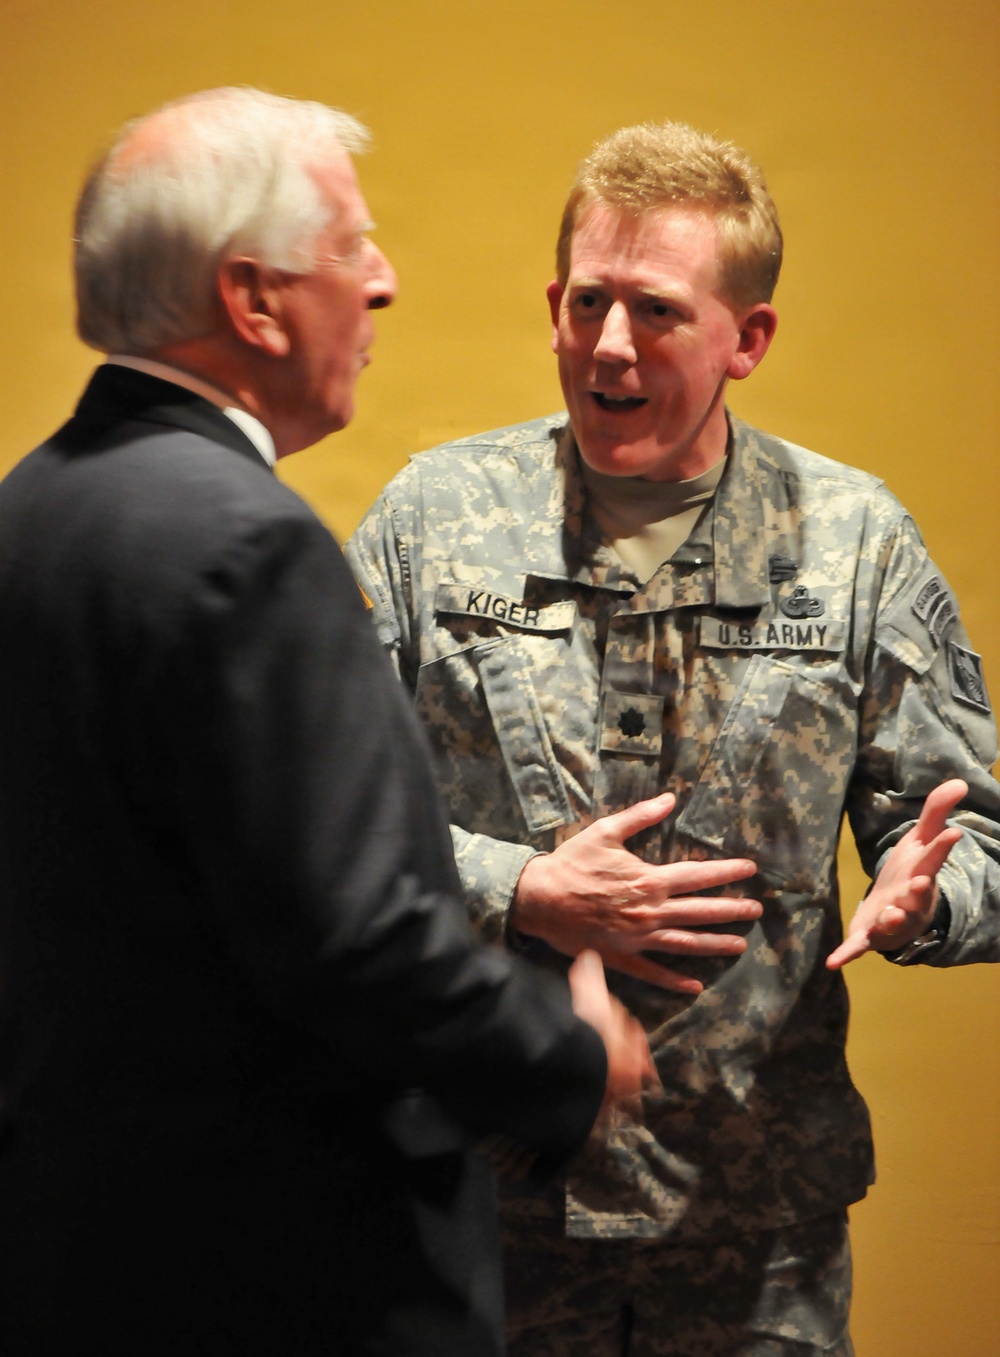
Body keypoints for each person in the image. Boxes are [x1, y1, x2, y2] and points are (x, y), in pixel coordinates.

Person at [0, 88, 661, 1357]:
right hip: (272, 1275)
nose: (384, 284)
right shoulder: (245, 544)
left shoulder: (40, 507)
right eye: (351, 248)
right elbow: (353, 939)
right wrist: (567, 1056)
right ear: (252, 300)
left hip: (87, 1251)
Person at [346, 120, 1000, 1356]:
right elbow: (314, 831)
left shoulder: (855, 546)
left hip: (756, 1238)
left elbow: (979, 841)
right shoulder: (430, 521)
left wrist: (935, 895)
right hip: (484, 1205)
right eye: (586, 301)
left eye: (654, 310)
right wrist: (520, 888)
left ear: (746, 338)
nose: (606, 345)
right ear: (551, 304)